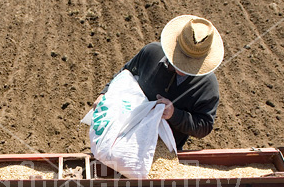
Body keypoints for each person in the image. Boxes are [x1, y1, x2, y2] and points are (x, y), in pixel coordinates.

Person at [93, 15, 224, 150]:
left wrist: (174, 114)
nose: (183, 68)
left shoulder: (207, 85)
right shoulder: (151, 53)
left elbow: (204, 126)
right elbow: (126, 72)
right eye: (181, 59)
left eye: (190, 65)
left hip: (164, 148)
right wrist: (105, 93)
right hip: (126, 134)